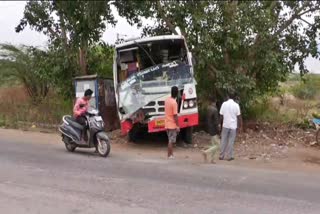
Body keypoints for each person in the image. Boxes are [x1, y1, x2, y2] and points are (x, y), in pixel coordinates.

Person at [219, 90, 242, 161]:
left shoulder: (224, 104)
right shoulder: (236, 105)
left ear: (228, 96)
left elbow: (221, 116)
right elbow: (239, 117)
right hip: (233, 126)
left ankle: (221, 156)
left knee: (223, 140)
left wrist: (220, 124)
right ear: (235, 97)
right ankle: (230, 156)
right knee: (231, 141)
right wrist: (240, 126)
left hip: (225, 125)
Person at [202, 97, 220, 164]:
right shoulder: (215, 110)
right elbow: (216, 122)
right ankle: (205, 152)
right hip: (214, 129)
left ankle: (212, 159)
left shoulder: (208, 108)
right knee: (218, 145)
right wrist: (218, 130)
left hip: (209, 128)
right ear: (215, 102)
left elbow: (207, 120)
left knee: (213, 144)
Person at [165, 86, 180, 159]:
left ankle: (171, 154)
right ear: (177, 93)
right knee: (171, 141)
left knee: (170, 139)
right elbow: (175, 116)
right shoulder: (174, 103)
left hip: (167, 123)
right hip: (172, 125)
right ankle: (169, 155)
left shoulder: (167, 100)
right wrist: (177, 126)